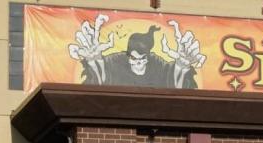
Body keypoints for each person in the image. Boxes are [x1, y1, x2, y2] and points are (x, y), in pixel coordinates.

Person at [68, 14, 205, 88]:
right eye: (134, 59)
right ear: (128, 57)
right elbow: (100, 77)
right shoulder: (116, 62)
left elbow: (174, 80)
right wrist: (94, 60)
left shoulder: (157, 65)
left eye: (142, 59)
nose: (139, 63)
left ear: (148, 57)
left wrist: (182, 66)